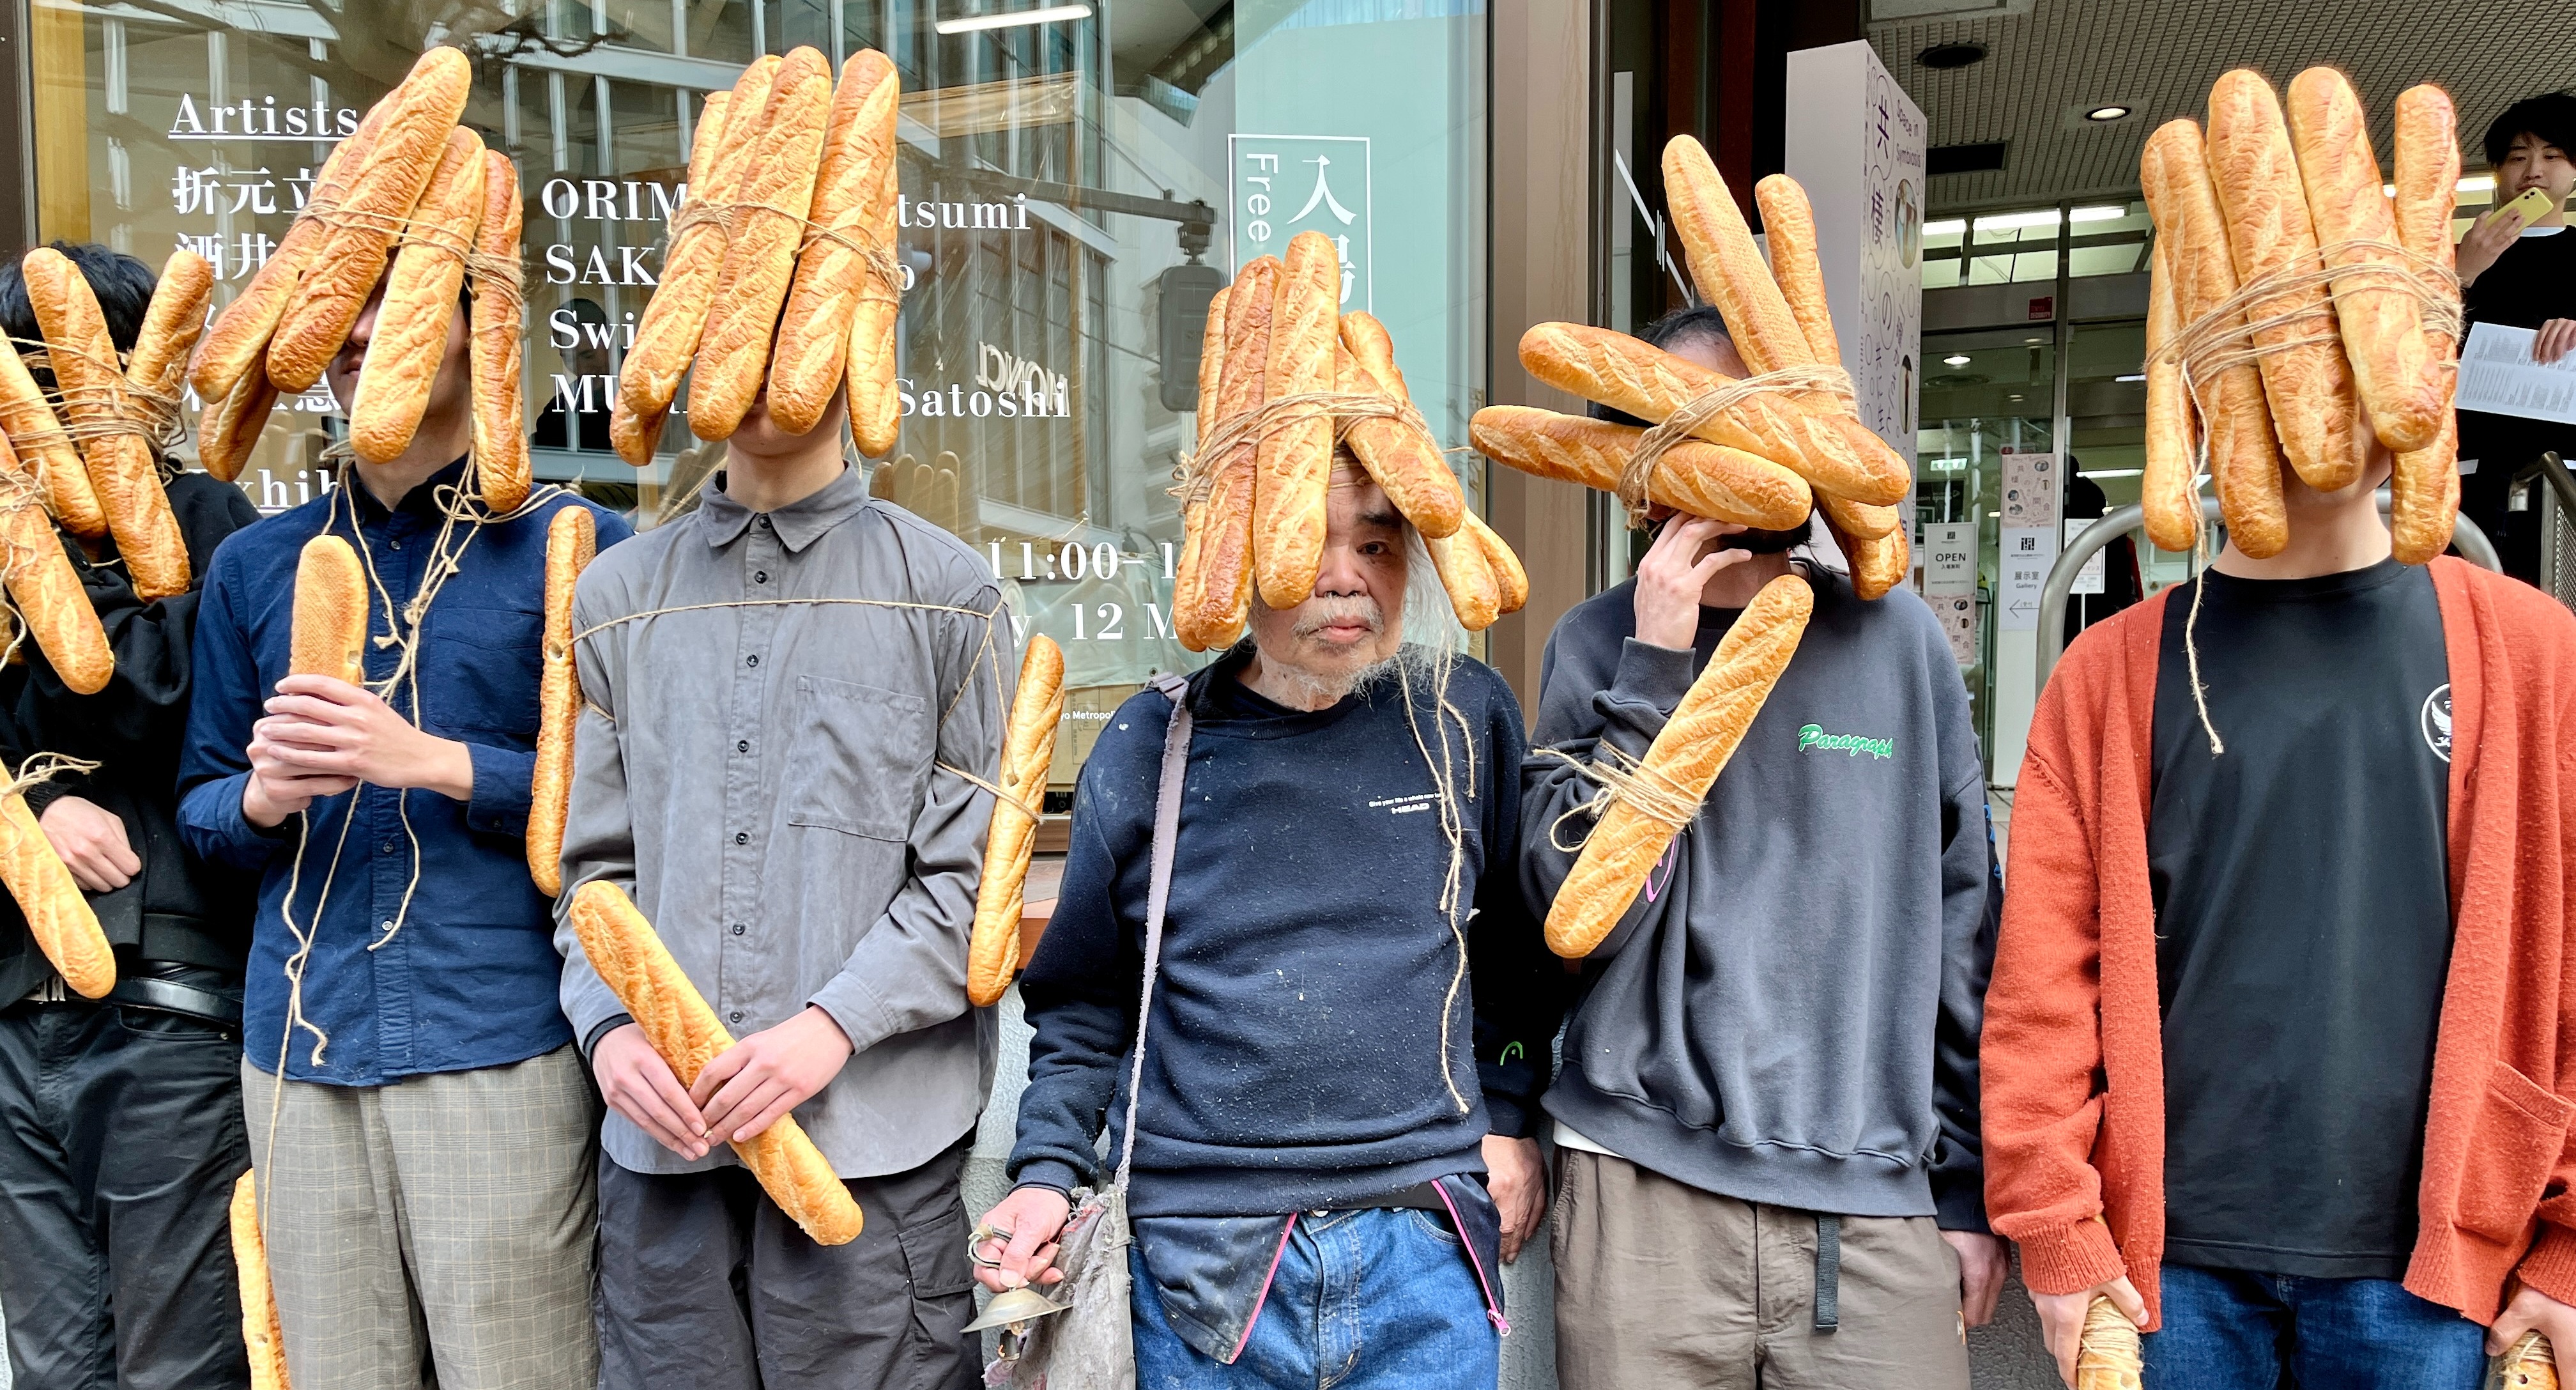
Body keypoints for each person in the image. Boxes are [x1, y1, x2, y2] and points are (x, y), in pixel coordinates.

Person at [1982, 431, 2576, 1387]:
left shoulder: (2535, 653)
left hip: (2443, 1264)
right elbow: (2041, 986)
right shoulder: (2107, 673)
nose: (2319, 416)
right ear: (2209, 410)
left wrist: (2570, 1250)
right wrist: (2054, 1224)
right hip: (2167, 1267)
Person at [977, 456, 1553, 1388]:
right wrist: (1045, 1170)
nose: (1343, 576)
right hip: (1203, 1254)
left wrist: (1509, 1110)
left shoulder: (1460, 716)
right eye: (1303, 544)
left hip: (1424, 1243)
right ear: (1230, 562)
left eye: (1376, 543)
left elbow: (1512, 951)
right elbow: (1085, 1003)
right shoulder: (1150, 744)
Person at [1521, 306, 2004, 1389]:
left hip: (1871, 1201)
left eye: (1765, 414)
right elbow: (1572, 923)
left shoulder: (1897, 640)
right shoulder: (1594, 646)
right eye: (1701, 427)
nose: (1744, 450)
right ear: (1641, 468)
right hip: (1640, 1191)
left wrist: (1968, 1186)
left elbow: (1967, 922)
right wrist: (1651, 672)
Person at [176, 276, 629, 1390]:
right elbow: (201, 803)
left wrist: (432, 760)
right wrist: (263, 797)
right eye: (339, 319)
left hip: (498, 1034)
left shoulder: (582, 545)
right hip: (297, 1043)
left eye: (408, 307)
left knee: (518, 1374)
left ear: (485, 335)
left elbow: (638, 801)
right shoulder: (254, 564)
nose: (361, 338)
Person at [556, 382, 1004, 1389]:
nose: (762, 374)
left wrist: (830, 1025)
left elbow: (968, 878)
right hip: (663, 1155)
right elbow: (591, 871)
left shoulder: (950, 591)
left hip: (872, 1148)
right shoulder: (617, 594)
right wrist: (610, 1028)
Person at [0, 243, 262, 1387]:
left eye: (75, 376)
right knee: (55, 1369)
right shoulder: (7, 547)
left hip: (168, 1015)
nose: (51, 410)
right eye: (28, 382)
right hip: (15, 1018)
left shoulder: (214, 526)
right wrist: (30, 804)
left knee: (177, 1367)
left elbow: (173, 715)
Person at [2455, 90, 2576, 583]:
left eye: (2552, 156)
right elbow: (2406, 345)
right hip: (2469, 472)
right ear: (2497, 170)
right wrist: (2462, 272)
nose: (2534, 171)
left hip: (2565, 472)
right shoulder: (2454, 253)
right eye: (2518, 157)